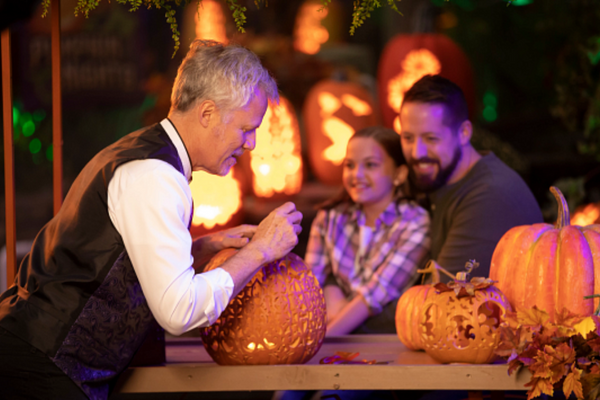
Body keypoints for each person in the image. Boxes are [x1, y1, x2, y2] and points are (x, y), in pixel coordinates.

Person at [0, 40, 303, 400]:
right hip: (40, 363)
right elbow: (179, 311)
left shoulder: (146, 155)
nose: (251, 144)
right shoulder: (154, 175)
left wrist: (202, 248)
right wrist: (260, 252)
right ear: (207, 114)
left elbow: (117, 256)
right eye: (246, 129)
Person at [398, 74, 543, 281]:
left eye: (431, 138)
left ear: (464, 133)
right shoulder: (440, 177)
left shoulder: (490, 197)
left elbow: (442, 302)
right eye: (408, 138)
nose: (416, 152)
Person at [306, 126, 430, 336]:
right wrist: (331, 292)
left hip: (383, 343)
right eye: (350, 165)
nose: (357, 175)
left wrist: (324, 339)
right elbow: (308, 287)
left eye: (370, 165)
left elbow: (373, 295)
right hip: (326, 332)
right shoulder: (329, 218)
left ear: (399, 174)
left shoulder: (415, 223)